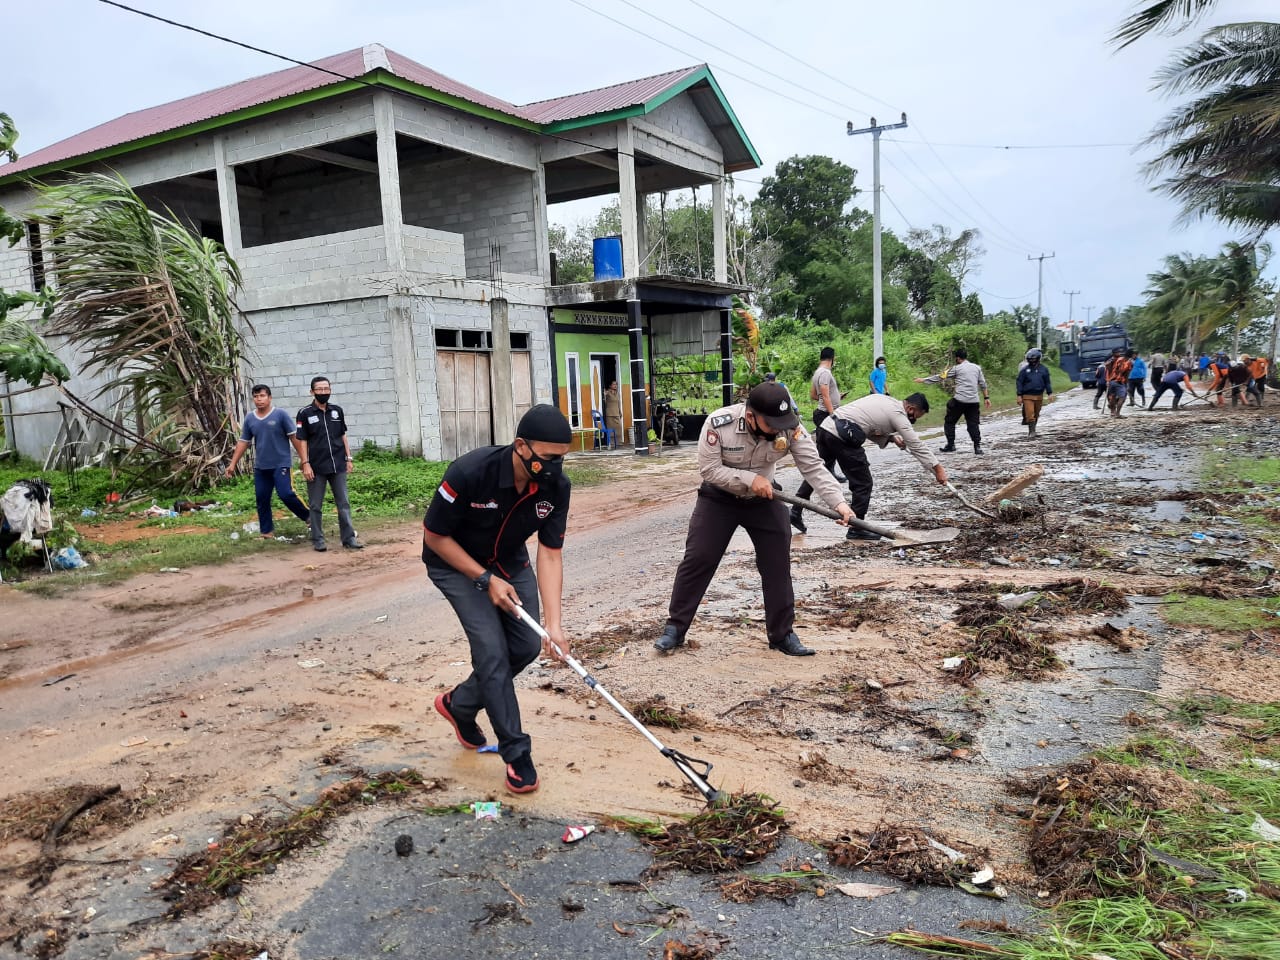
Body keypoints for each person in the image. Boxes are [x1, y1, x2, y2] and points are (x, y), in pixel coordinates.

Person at [423, 404, 573, 795]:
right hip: (454, 564)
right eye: (549, 458)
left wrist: (554, 626)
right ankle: (517, 755)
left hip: (508, 560)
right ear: (521, 446)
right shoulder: (470, 471)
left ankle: (460, 703)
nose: (556, 466)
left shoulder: (556, 487)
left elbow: (551, 552)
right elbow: (434, 537)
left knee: (524, 645)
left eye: (563, 458)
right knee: (490, 650)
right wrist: (484, 579)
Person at [656, 382, 855, 658]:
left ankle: (782, 634)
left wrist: (840, 502)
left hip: (765, 500)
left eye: (781, 423)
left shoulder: (789, 426)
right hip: (719, 499)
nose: (777, 429)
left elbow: (813, 467)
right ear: (751, 416)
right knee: (698, 559)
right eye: (770, 423)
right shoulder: (718, 423)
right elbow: (709, 469)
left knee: (777, 565)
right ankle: (675, 628)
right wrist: (750, 479)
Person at [817, 392, 948, 539]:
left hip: (826, 427)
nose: (914, 420)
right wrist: (938, 469)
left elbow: (866, 422)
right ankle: (857, 528)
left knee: (817, 472)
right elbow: (915, 444)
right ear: (910, 409)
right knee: (863, 483)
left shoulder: (884, 400)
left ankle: (796, 511)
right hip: (842, 434)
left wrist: (891, 438)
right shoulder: (899, 414)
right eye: (916, 416)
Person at [225, 384, 311, 539]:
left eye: (262, 396)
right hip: (261, 467)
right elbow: (244, 441)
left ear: (270, 398)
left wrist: (305, 460)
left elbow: (294, 437)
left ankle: (309, 517)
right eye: (256, 397)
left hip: (281, 464)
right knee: (262, 498)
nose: (259, 400)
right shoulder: (250, 418)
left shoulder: (280, 415)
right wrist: (232, 464)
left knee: (286, 494)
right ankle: (267, 532)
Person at [295, 376, 362, 552]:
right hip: (316, 467)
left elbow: (343, 435)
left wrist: (348, 458)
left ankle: (348, 538)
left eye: (327, 389)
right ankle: (318, 539)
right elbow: (302, 440)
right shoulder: (305, 413)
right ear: (312, 392)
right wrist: (305, 464)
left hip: (338, 464)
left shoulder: (337, 411)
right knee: (316, 505)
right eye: (320, 389)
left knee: (344, 503)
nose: (324, 392)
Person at [915, 348, 990, 455]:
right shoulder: (977, 368)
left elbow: (941, 376)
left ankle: (951, 445)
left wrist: (924, 380)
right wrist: (986, 398)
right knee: (973, 424)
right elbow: (983, 384)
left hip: (960, 400)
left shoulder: (956, 369)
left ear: (958, 358)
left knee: (949, 421)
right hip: (974, 401)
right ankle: (977, 446)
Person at [1015, 348, 1053, 437]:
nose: (1032, 361)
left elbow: (1047, 382)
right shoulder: (1024, 370)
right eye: (1030, 359)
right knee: (1030, 413)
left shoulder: (1044, 369)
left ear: (1038, 359)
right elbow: (1019, 382)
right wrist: (1019, 395)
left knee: (1036, 413)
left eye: (1034, 359)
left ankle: (1034, 429)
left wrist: (1049, 393)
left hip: (1039, 395)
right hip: (1027, 395)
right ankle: (1031, 431)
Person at [809, 347, 841, 426]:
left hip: (823, 413)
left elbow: (813, 395)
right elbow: (825, 396)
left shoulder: (817, 371)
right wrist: (833, 415)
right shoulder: (825, 373)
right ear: (832, 358)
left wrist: (835, 396)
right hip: (826, 414)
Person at [1105, 348, 1133, 418]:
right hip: (1119, 381)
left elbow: (1109, 368)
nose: (1119, 353)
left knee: (1113, 397)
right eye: (1118, 352)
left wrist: (1109, 380)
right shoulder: (1128, 362)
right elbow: (1127, 374)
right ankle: (1117, 413)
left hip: (1112, 380)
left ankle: (1112, 411)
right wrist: (1126, 383)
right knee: (1122, 397)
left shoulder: (1117, 359)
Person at [603, 379, 623, 448]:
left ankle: (619, 442)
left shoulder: (617, 393)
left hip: (616, 413)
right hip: (609, 414)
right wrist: (605, 393)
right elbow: (604, 398)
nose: (615, 386)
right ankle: (611, 443)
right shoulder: (608, 392)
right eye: (614, 384)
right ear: (610, 385)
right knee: (610, 429)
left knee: (619, 428)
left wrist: (620, 411)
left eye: (616, 384)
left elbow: (618, 403)